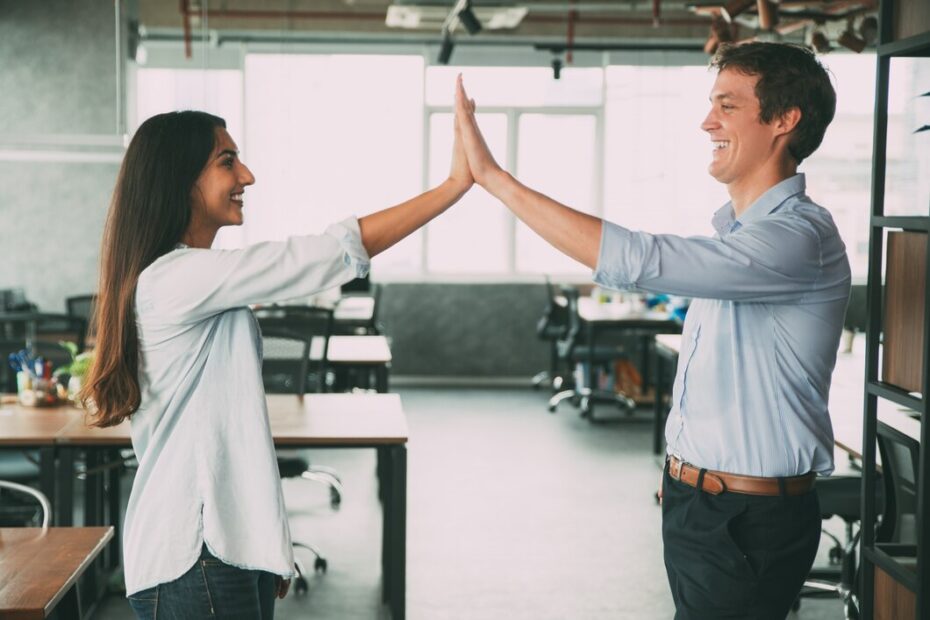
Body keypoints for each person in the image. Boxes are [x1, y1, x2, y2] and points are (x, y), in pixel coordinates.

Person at [455, 42, 850, 619]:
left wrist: (493, 178)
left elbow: (639, 259)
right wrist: (683, 468)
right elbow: (716, 373)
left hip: (747, 517)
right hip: (703, 500)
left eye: (728, 105)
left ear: (784, 120)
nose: (707, 121)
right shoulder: (741, 237)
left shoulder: (797, 238)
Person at [81, 110, 472, 618]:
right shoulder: (175, 279)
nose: (247, 176)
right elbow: (322, 255)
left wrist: (266, 547)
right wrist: (454, 186)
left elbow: (231, 435)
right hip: (196, 556)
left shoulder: (181, 280)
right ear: (181, 179)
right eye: (228, 161)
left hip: (216, 552)